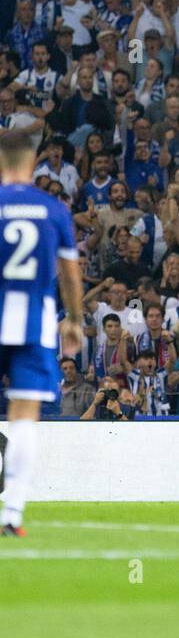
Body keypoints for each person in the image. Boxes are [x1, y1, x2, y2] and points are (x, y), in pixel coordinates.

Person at [0, 129, 84, 537]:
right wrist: (74, 319)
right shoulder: (53, 209)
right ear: (33, 163)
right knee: (24, 416)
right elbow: (70, 273)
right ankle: (12, 513)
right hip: (34, 323)